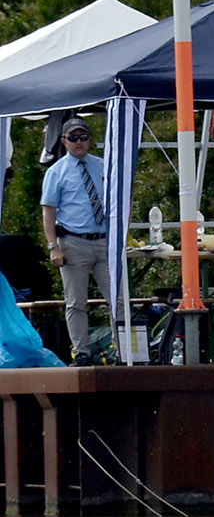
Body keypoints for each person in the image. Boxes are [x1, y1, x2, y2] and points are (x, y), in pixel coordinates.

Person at [38, 119, 109, 360]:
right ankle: (81, 352)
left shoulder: (103, 166)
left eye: (83, 137)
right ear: (64, 141)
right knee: (76, 302)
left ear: (89, 139)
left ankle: (126, 349)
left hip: (104, 240)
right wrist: (53, 247)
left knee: (118, 299)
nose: (79, 142)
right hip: (74, 242)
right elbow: (49, 212)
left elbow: (122, 199)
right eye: (73, 138)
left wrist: (123, 234)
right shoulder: (56, 172)